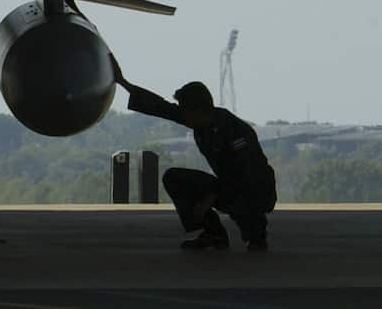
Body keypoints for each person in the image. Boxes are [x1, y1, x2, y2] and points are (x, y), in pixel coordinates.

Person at [115, 65, 276, 251]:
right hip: (227, 185)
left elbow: (248, 174)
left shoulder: (234, 130)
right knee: (174, 178)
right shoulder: (201, 120)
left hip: (255, 189)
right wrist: (123, 83)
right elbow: (161, 107)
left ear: (198, 110)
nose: (182, 116)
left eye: (185, 111)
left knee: (246, 208)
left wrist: (210, 198)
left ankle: (256, 233)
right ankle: (213, 234)